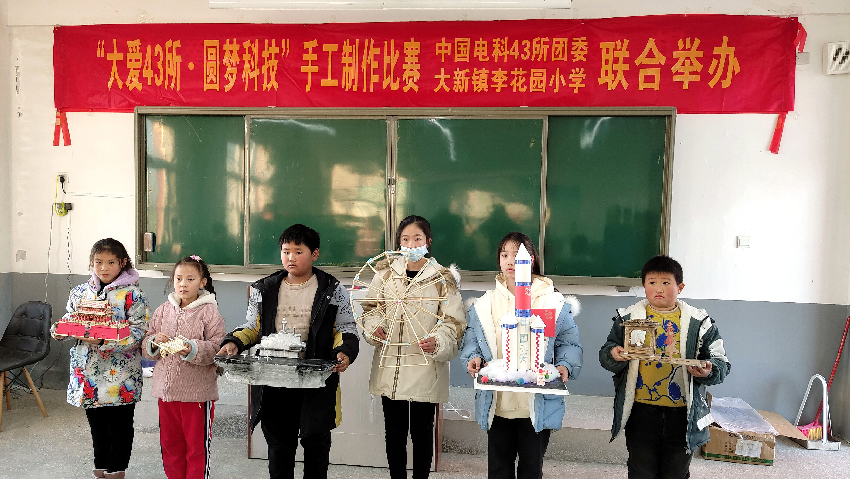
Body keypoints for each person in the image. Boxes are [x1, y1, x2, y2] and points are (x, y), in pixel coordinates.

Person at [216, 224, 359, 479]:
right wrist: (233, 343)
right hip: (274, 382)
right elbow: (252, 327)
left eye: (298, 251)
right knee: (279, 448)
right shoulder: (264, 289)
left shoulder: (332, 289)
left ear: (314, 254)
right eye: (286, 251)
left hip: (315, 383)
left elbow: (345, 327)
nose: (290, 257)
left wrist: (344, 351)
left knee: (316, 446)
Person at [460, 232, 583, 479]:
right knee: (498, 469)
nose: (510, 261)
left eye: (517, 256)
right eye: (504, 255)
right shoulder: (486, 304)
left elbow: (568, 342)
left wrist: (565, 365)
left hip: (535, 406)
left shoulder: (552, 302)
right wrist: (473, 358)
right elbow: (473, 340)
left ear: (531, 260)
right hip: (499, 404)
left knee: (531, 469)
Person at [599, 255, 731, 479]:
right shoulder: (627, 317)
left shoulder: (699, 322)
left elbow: (721, 362)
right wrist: (613, 354)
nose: (658, 289)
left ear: (680, 287)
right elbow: (607, 352)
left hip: (682, 414)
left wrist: (708, 371)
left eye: (666, 282)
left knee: (676, 471)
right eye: (652, 282)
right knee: (640, 469)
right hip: (640, 410)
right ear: (644, 285)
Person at [361, 215, 465, 479]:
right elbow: (370, 309)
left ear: (428, 241)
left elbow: (453, 322)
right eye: (405, 239)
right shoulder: (385, 273)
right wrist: (374, 328)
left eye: (417, 239)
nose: (411, 244)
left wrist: (438, 341)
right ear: (398, 243)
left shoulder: (442, 278)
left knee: (422, 432)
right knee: (394, 433)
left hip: (424, 366)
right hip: (391, 366)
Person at [50, 238, 149, 479]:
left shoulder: (133, 295)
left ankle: (117, 470)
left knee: (120, 426)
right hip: (88, 375)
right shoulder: (80, 292)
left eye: (110, 262)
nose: (103, 268)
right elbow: (70, 320)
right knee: (97, 426)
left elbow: (138, 333)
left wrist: (105, 341)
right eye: (98, 262)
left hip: (121, 377)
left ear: (122, 263)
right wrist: (60, 331)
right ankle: (101, 467)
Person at [143, 255, 226, 479]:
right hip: (167, 393)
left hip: (196, 394)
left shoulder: (209, 312)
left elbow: (217, 348)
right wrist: (153, 342)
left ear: (202, 282)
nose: (183, 284)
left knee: (197, 447)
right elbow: (146, 345)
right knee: (170, 444)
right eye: (178, 278)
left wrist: (192, 348)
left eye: (190, 279)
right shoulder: (163, 310)